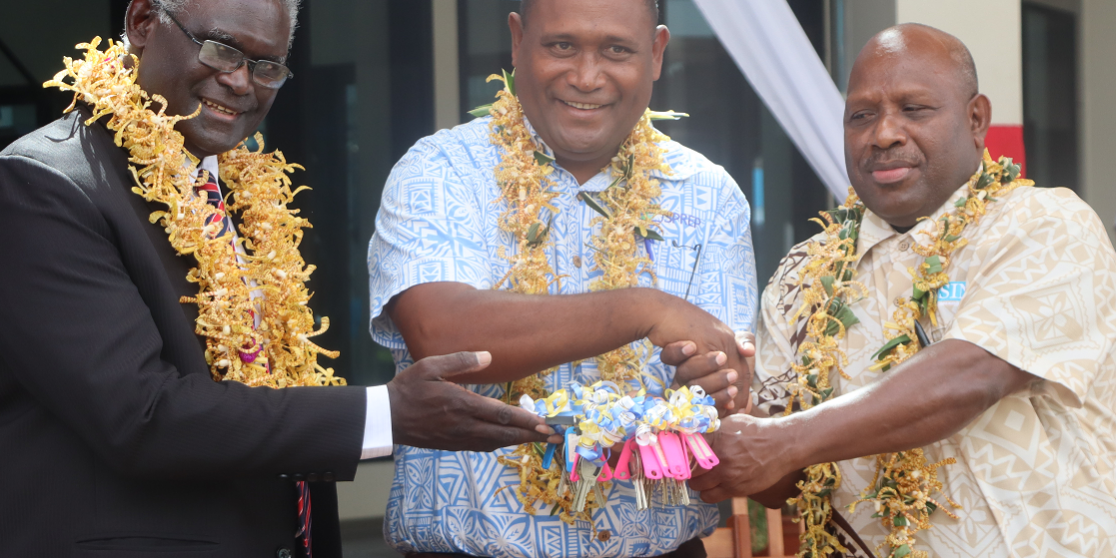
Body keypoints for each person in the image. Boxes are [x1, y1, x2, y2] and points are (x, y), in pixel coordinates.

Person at [0, 0, 559, 556]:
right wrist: (383, 413)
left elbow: (268, 400)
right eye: (221, 49)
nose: (241, 82)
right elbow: (140, 417)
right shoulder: (46, 185)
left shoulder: (245, 192)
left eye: (267, 66)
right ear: (143, 22)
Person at [695, 23, 1116, 558]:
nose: (884, 134)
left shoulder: (1045, 224)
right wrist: (722, 410)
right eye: (861, 115)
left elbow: (972, 374)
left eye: (914, 109)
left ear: (976, 118)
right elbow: (786, 482)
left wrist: (781, 441)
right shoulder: (801, 275)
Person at [366, 0, 757, 556]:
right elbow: (444, 337)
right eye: (562, 46)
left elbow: (732, 398)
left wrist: (716, 384)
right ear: (518, 39)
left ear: (656, 53)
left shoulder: (709, 195)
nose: (586, 76)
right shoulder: (440, 170)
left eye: (616, 50)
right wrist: (641, 309)